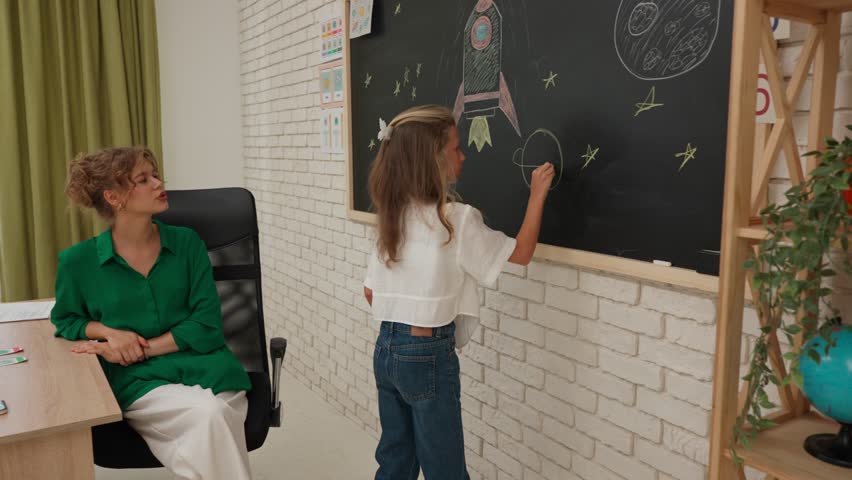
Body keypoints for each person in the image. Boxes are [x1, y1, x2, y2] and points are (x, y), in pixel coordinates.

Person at [363, 105, 555, 479]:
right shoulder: (458, 219)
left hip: (385, 350)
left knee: (395, 461)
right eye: (455, 148)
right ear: (432, 160)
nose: (463, 155)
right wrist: (537, 196)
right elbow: (523, 253)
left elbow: (371, 292)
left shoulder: (392, 216)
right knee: (444, 468)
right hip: (428, 354)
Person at [50, 146, 253, 480]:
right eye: (143, 179)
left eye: (155, 174)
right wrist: (110, 334)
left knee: (211, 419)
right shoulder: (77, 262)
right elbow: (66, 319)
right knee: (211, 415)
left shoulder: (188, 244)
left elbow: (207, 326)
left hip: (208, 368)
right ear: (113, 197)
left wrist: (137, 349)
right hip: (140, 383)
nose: (160, 183)